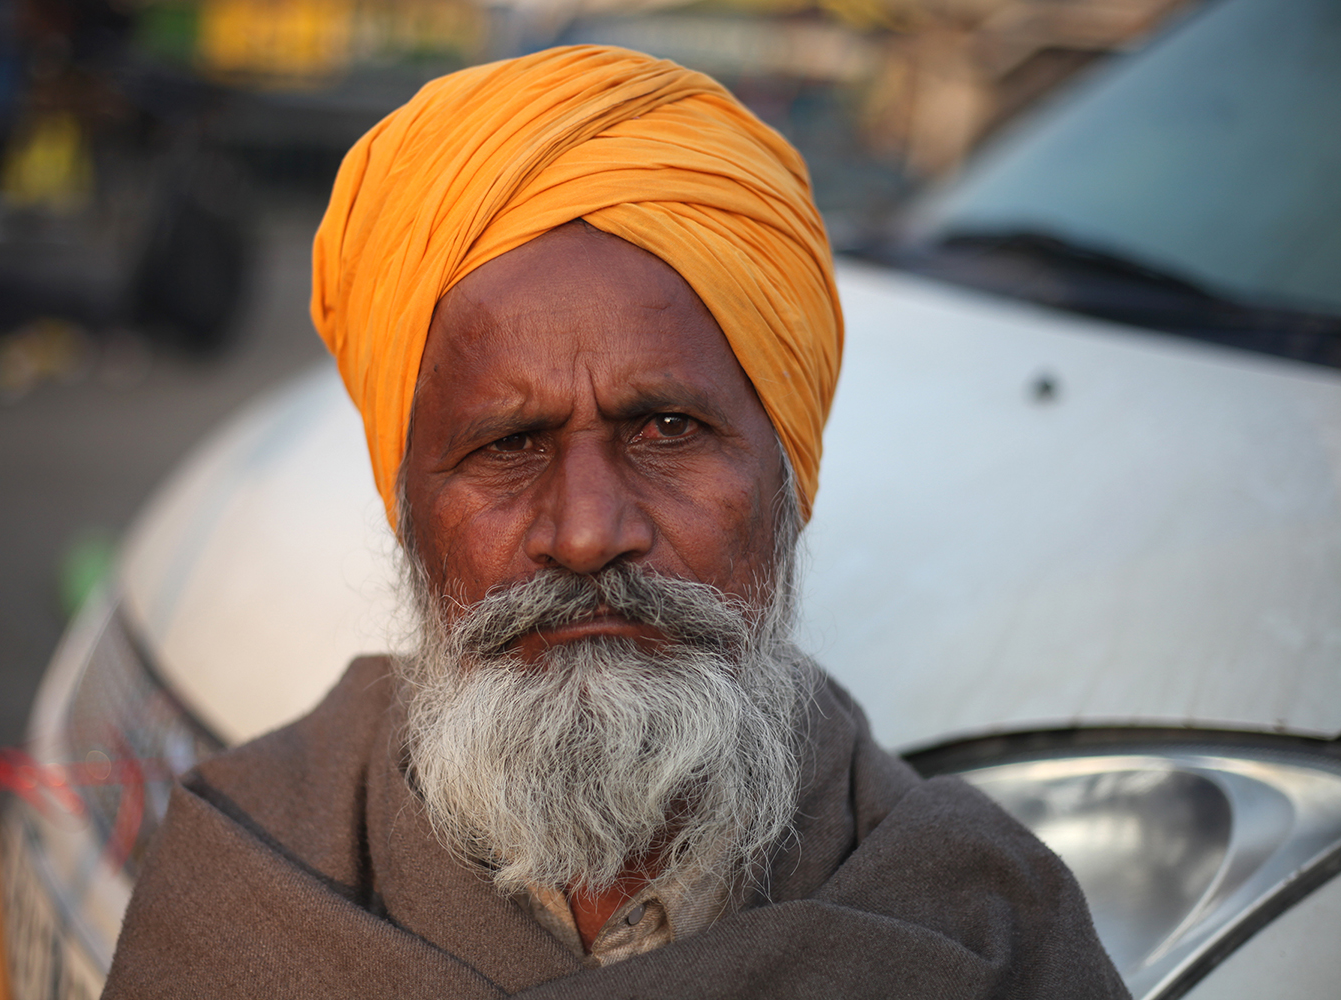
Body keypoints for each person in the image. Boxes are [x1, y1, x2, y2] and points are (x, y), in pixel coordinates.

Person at [102, 46, 1128, 999]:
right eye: (508, 445)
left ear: (786, 482)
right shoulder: (246, 875)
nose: (588, 533)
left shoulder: (984, 925)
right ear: (408, 509)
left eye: (668, 427)